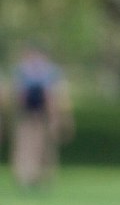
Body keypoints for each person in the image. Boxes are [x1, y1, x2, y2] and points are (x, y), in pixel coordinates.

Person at [9, 44, 75, 190]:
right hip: (28, 114)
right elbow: (19, 96)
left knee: (45, 147)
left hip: (44, 115)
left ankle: (41, 176)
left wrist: (58, 117)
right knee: (26, 145)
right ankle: (27, 176)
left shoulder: (49, 72)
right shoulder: (23, 71)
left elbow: (54, 97)